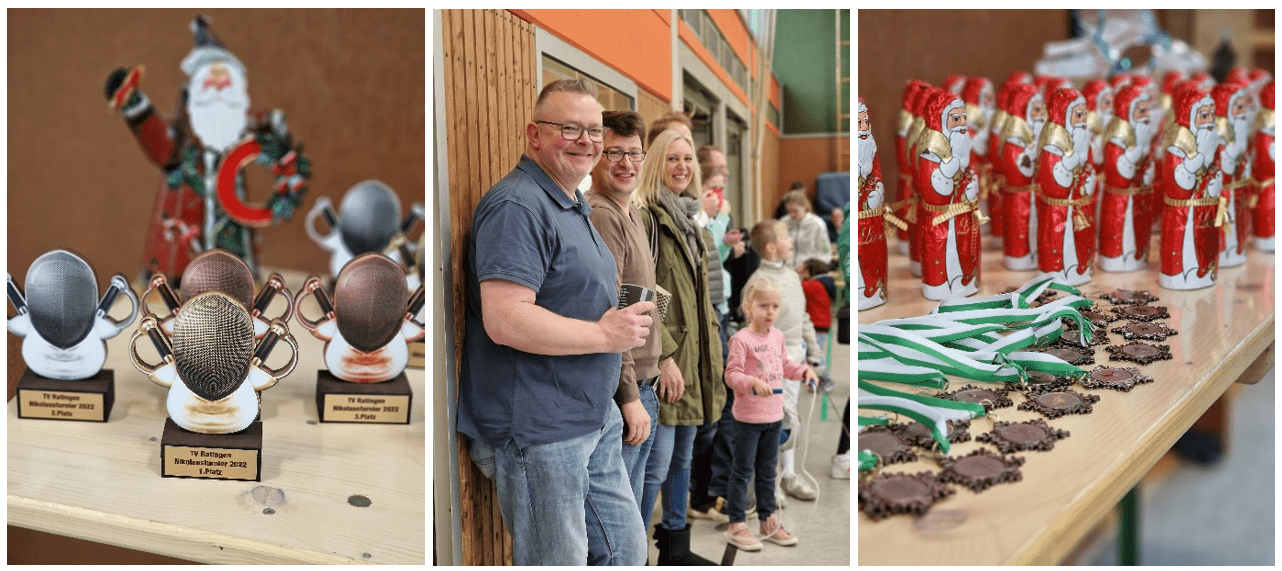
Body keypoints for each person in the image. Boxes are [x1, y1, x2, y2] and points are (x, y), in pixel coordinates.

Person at [458, 79, 654, 566]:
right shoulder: (517, 207)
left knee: (625, 551)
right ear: (534, 135)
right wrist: (604, 335)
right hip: (541, 433)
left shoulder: (569, 201)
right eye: (569, 128)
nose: (586, 141)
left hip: (591, 415)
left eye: (593, 131)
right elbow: (506, 319)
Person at [636, 129, 725, 565]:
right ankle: (632, 552)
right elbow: (638, 292)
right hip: (666, 360)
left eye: (688, 159)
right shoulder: (648, 217)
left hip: (696, 358)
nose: (682, 167)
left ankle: (675, 547)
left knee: (683, 459)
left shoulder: (690, 219)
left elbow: (700, 297)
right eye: (672, 159)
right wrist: (664, 356)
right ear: (657, 163)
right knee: (653, 464)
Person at [584, 110, 662, 529]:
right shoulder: (603, 215)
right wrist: (629, 396)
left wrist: (664, 356)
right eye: (614, 152)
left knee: (636, 517)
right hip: (626, 387)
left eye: (634, 153)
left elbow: (645, 294)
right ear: (596, 155)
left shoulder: (630, 212)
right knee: (621, 529)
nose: (626, 163)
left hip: (647, 378)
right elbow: (613, 312)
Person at [722, 279, 817, 551]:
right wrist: (751, 382)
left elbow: (785, 364)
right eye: (764, 306)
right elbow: (732, 375)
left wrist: (803, 371)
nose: (770, 311)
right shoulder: (741, 339)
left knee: (767, 472)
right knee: (742, 472)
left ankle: (768, 519)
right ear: (748, 307)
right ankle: (737, 524)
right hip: (748, 420)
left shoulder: (777, 336)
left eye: (775, 306)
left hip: (774, 417)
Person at [746, 219, 823, 502]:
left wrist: (814, 353)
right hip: (772, 362)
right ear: (771, 247)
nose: (791, 241)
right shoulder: (758, 283)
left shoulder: (791, 276)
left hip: (796, 355)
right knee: (772, 420)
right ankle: (770, 484)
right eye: (785, 237)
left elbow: (803, 317)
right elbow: (752, 328)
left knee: (790, 420)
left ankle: (789, 475)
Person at [917, 89, 982, 300]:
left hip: (963, 216)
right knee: (943, 254)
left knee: (964, 254)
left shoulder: (961, 143)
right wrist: (952, 166)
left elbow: (968, 171)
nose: (962, 123)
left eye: (964, 117)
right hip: (941, 220)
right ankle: (941, 286)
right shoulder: (931, 149)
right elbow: (933, 188)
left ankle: (966, 282)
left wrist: (971, 183)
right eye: (956, 118)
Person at [1160, 87, 1222, 290]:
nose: (1209, 121)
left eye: (1212, 115)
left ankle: (1205, 272)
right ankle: (1184, 276)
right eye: (1203, 116)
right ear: (1190, 115)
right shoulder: (1177, 143)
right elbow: (1178, 185)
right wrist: (1200, 157)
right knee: (1185, 252)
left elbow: (1216, 171)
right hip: (1184, 215)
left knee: (1208, 247)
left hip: (1209, 211)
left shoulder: (1211, 140)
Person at [1036, 87, 1096, 286]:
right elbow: (1053, 182)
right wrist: (1072, 159)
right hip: (1058, 210)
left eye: (1084, 115)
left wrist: (1088, 179)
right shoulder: (1052, 143)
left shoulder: (1083, 140)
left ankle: (1080, 269)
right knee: (1058, 244)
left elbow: (1089, 167)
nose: (1083, 121)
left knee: (1081, 242)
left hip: (1080, 207)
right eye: (1078, 115)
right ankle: (1058, 273)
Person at [1099, 85, 1157, 272]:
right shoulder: (1117, 136)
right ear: (1129, 110)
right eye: (1142, 110)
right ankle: (1118, 260)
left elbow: (1146, 163)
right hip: (1120, 200)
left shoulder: (1143, 135)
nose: (1148, 115)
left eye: (1148, 109)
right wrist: (1135, 153)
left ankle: (1137, 258)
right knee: (1121, 234)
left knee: (1138, 234)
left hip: (1139, 197)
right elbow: (1118, 174)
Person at [1001, 82, 1046, 270]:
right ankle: (1020, 259)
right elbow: (1019, 169)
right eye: (1036, 109)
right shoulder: (1014, 138)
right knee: (1019, 229)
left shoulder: (1038, 134)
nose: (1041, 114)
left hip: (1037, 195)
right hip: (1020, 197)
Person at [778, 190, 831, 268]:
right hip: (787, 268)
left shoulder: (818, 224)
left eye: (795, 211)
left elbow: (826, 251)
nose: (791, 215)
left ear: (805, 207)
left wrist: (811, 268)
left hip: (807, 270)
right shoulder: (783, 222)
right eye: (789, 211)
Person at [797, 259, 833, 352]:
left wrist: (795, 273)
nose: (801, 272)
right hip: (822, 325)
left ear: (811, 270)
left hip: (815, 325)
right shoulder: (824, 283)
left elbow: (794, 288)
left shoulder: (813, 285)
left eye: (803, 270)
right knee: (815, 354)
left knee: (814, 357)